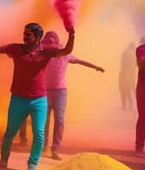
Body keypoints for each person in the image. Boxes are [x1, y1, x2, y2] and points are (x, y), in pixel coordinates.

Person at [0, 23, 75, 170]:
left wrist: (72, 35)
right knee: (10, 132)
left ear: (38, 37)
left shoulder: (47, 52)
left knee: (38, 135)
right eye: (24, 33)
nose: (24, 37)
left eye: (28, 35)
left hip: (39, 100)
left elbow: (66, 50)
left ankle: (32, 164)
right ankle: (4, 158)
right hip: (18, 99)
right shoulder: (16, 49)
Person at [39, 31, 104, 160]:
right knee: (44, 120)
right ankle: (43, 146)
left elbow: (80, 61)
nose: (50, 47)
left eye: (52, 44)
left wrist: (95, 67)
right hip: (44, 91)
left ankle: (55, 149)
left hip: (60, 92)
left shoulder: (65, 54)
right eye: (48, 44)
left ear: (57, 44)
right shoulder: (43, 54)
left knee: (60, 120)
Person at [119, 42, 136, 111]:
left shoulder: (126, 52)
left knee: (123, 89)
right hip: (129, 73)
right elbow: (135, 65)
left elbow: (122, 62)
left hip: (125, 73)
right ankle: (129, 105)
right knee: (128, 89)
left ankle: (125, 105)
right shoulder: (133, 54)